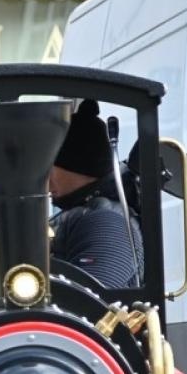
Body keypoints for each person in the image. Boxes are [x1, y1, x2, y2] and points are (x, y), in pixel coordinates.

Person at [48, 100, 143, 287]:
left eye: (49, 167)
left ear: (77, 167)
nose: (44, 179)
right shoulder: (87, 213)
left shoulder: (105, 221)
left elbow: (94, 300)